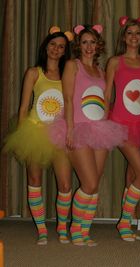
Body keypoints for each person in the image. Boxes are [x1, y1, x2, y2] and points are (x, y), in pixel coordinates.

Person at [49, 24, 127, 246]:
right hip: (78, 128)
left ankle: (84, 230)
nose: (89, 46)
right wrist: (71, 129)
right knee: (89, 183)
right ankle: (75, 228)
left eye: (92, 42)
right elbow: (68, 96)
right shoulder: (73, 66)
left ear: (98, 45)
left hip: (100, 129)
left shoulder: (101, 72)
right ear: (78, 46)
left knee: (95, 185)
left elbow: (104, 100)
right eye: (84, 42)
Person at [3, 26, 73, 245]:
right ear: (46, 46)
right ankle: (42, 228)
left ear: (65, 51)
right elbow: (24, 108)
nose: (56, 49)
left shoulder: (68, 74)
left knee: (65, 184)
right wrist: (22, 136)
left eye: (61, 46)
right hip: (35, 130)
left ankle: (62, 227)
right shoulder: (34, 72)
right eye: (53, 44)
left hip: (59, 132)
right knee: (34, 180)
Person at [105, 16, 140, 242]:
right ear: (124, 37)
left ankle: (129, 223)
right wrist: (102, 120)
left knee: (133, 173)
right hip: (120, 123)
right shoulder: (115, 61)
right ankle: (124, 222)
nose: (134, 37)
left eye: (138, 33)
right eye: (130, 33)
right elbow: (107, 93)